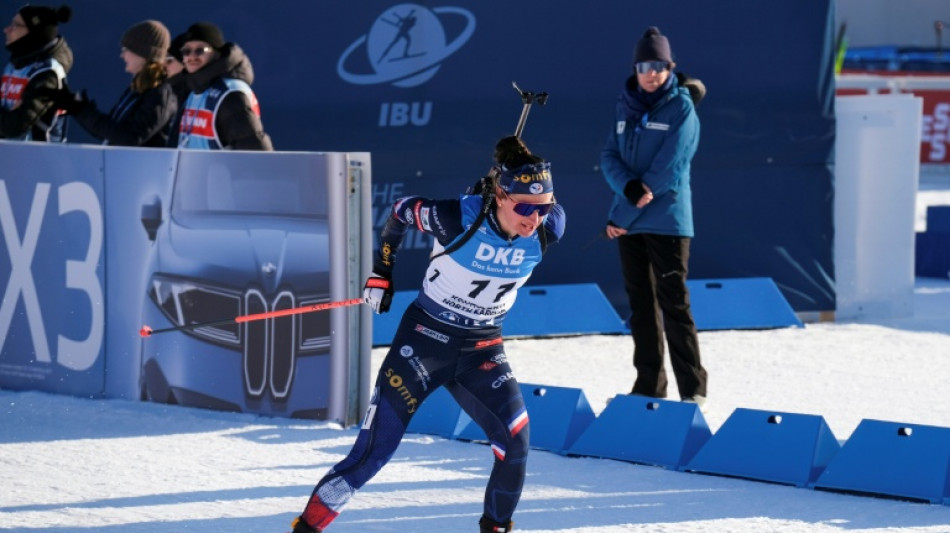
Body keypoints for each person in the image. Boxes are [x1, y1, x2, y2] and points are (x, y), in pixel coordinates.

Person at [291, 136, 566, 533]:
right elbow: (401, 211)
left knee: (516, 443)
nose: (534, 219)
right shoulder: (456, 218)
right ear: (501, 196)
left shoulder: (549, 228)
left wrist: (521, 170)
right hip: (424, 342)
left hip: (482, 348)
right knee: (373, 452)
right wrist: (381, 273)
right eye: (525, 207)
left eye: (543, 207)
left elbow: (537, 204)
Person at [600, 26, 708, 409]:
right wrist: (626, 191)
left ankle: (693, 389)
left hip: (667, 223)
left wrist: (627, 207)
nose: (651, 73)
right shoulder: (623, 104)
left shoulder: (681, 107)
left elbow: (670, 168)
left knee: (674, 305)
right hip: (629, 221)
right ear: (635, 68)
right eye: (645, 65)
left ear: (670, 67)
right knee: (641, 308)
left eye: (659, 66)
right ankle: (648, 385)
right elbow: (609, 157)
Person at [42, 20, 177, 147]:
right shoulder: (137, 89)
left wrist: (82, 110)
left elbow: (130, 138)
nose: (122, 55)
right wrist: (78, 108)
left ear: (143, 54)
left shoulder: (160, 94)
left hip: (143, 171)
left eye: (126, 49)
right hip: (122, 167)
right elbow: (109, 133)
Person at [170, 21, 272, 150]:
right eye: (186, 51)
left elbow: (255, 151)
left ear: (217, 53)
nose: (192, 56)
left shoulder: (230, 94)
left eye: (201, 50)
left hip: (221, 170)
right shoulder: (194, 90)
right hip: (196, 170)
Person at [0, 4, 72, 141]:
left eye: (16, 25)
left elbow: (14, 126)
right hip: (11, 157)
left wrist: (9, 119)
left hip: (39, 159)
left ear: (33, 32)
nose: (6, 30)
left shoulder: (47, 74)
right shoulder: (15, 65)